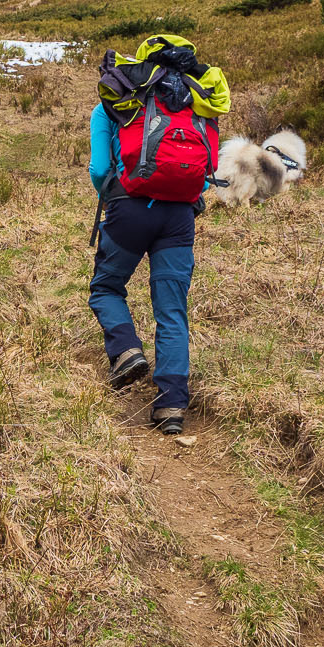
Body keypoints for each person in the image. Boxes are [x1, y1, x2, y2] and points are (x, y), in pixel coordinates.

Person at [85, 36, 230, 434]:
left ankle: (126, 350)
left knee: (106, 288)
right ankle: (171, 406)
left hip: (130, 210)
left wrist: (115, 197)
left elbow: (99, 170)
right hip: (179, 217)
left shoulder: (116, 101)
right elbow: (207, 169)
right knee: (171, 310)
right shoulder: (201, 106)